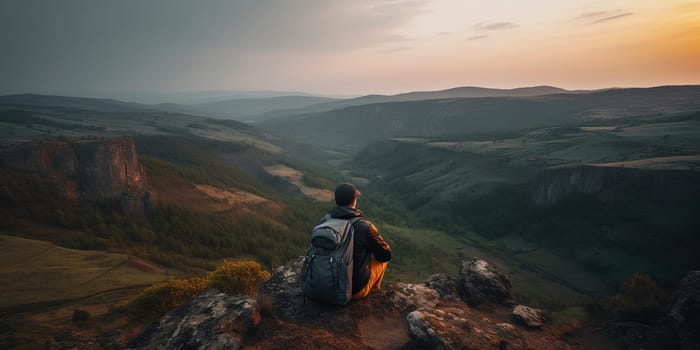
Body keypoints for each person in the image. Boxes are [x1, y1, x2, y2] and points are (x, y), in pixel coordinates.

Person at [322, 183, 392, 299]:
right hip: (351, 290)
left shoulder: (325, 221)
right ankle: (373, 295)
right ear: (354, 201)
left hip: (324, 284)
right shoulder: (364, 226)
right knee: (381, 260)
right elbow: (385, 255)